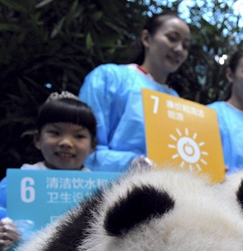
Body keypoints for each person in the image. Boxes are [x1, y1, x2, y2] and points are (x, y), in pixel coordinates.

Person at [79, 11, 190, 172]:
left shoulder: (176, 101)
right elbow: (84, 147)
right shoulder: (108, 78)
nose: (179, 49)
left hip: (161, 191)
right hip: (107, 189)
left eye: (186, 46)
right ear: (146, 38)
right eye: (172, 38)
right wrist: (131, 163)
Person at [0, 92, 98, 251]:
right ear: (37, 139)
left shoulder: (101, 188)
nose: (66, 142)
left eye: (79, 136)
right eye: (55, 133)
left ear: (93, 146)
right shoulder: (16, 183)